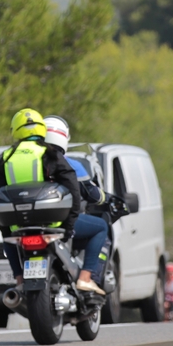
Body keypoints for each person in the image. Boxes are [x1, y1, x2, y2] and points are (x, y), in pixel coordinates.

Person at [0, 108, 107, 295]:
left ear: (15, 129)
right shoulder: (50, 154)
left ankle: (20, 280)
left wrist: (6, 228)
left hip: (19, 223)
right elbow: (73, 190)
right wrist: (69, 225)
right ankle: (86, 278)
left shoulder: (6, 157)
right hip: (53, 223)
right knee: (101, 226)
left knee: (9, 239)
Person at [43, 115, 111, 283]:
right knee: (101, 227)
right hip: (61, 223)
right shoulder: (70, 164)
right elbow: (94, 195)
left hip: (31, 222)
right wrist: (106, 198)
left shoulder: (32, 163)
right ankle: (87, 277)